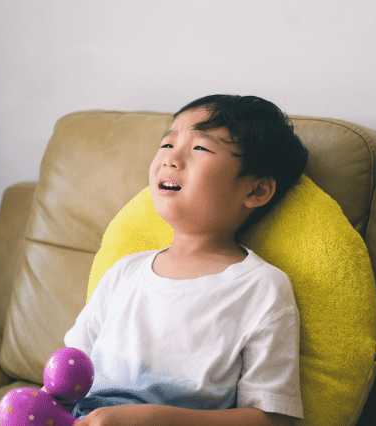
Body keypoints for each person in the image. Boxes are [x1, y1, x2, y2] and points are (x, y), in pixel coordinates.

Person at [65, 94, 308, 426]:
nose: (171, 159)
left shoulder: (261, 287)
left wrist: (152, 418)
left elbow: (272, 418)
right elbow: (68, 371)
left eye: (200, 149)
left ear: (256, 191)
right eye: (167, 145)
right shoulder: (124, 272)